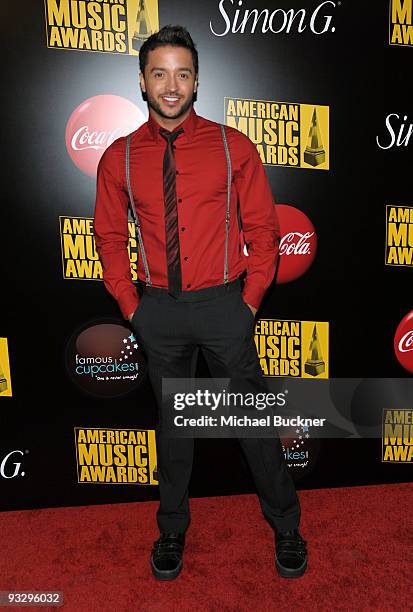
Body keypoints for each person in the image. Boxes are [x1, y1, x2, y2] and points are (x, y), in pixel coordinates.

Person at [93, 24, 308, 581]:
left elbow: (264, 232)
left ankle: (286, 523)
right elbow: (110, 239)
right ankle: (171, 530)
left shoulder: (233, 146)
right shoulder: (120, 157)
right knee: (174, 427)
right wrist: (131, 306)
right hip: (157, 310)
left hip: (223, 307)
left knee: (254, 423)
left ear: (196, 81)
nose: (172, 85)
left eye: (182, 74)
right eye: (160, 73)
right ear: (142, 81)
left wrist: (249, 302)